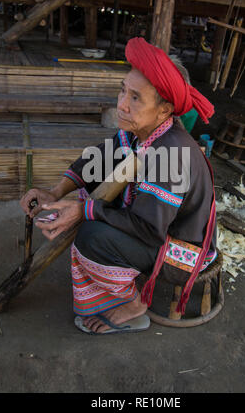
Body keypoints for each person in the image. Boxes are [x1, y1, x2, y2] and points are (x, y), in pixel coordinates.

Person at [20, 37, 216, 335]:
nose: (121, 104)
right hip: (159, 227)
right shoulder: (144, 132)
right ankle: (116, 272)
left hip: (181, 251)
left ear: (164, 110)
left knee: (92, 236)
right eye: (123, 90)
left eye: (135, 98)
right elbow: (100, 157)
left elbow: (148, 228)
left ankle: (134, 304)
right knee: (98, 183)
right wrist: (56, 192)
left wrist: (84, 210)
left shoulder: (172, 156)